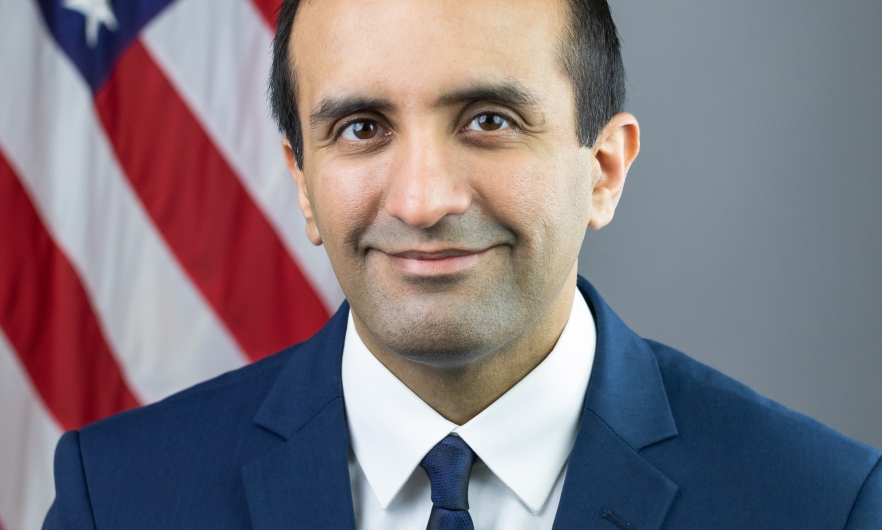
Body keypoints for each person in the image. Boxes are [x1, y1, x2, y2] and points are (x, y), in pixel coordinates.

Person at [43, 0, 881, 528]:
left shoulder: (823, 504)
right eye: (362, 128)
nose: (421, 200)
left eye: (488, 119)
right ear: (303, 185)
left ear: (604, 170)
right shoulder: (117, 497)